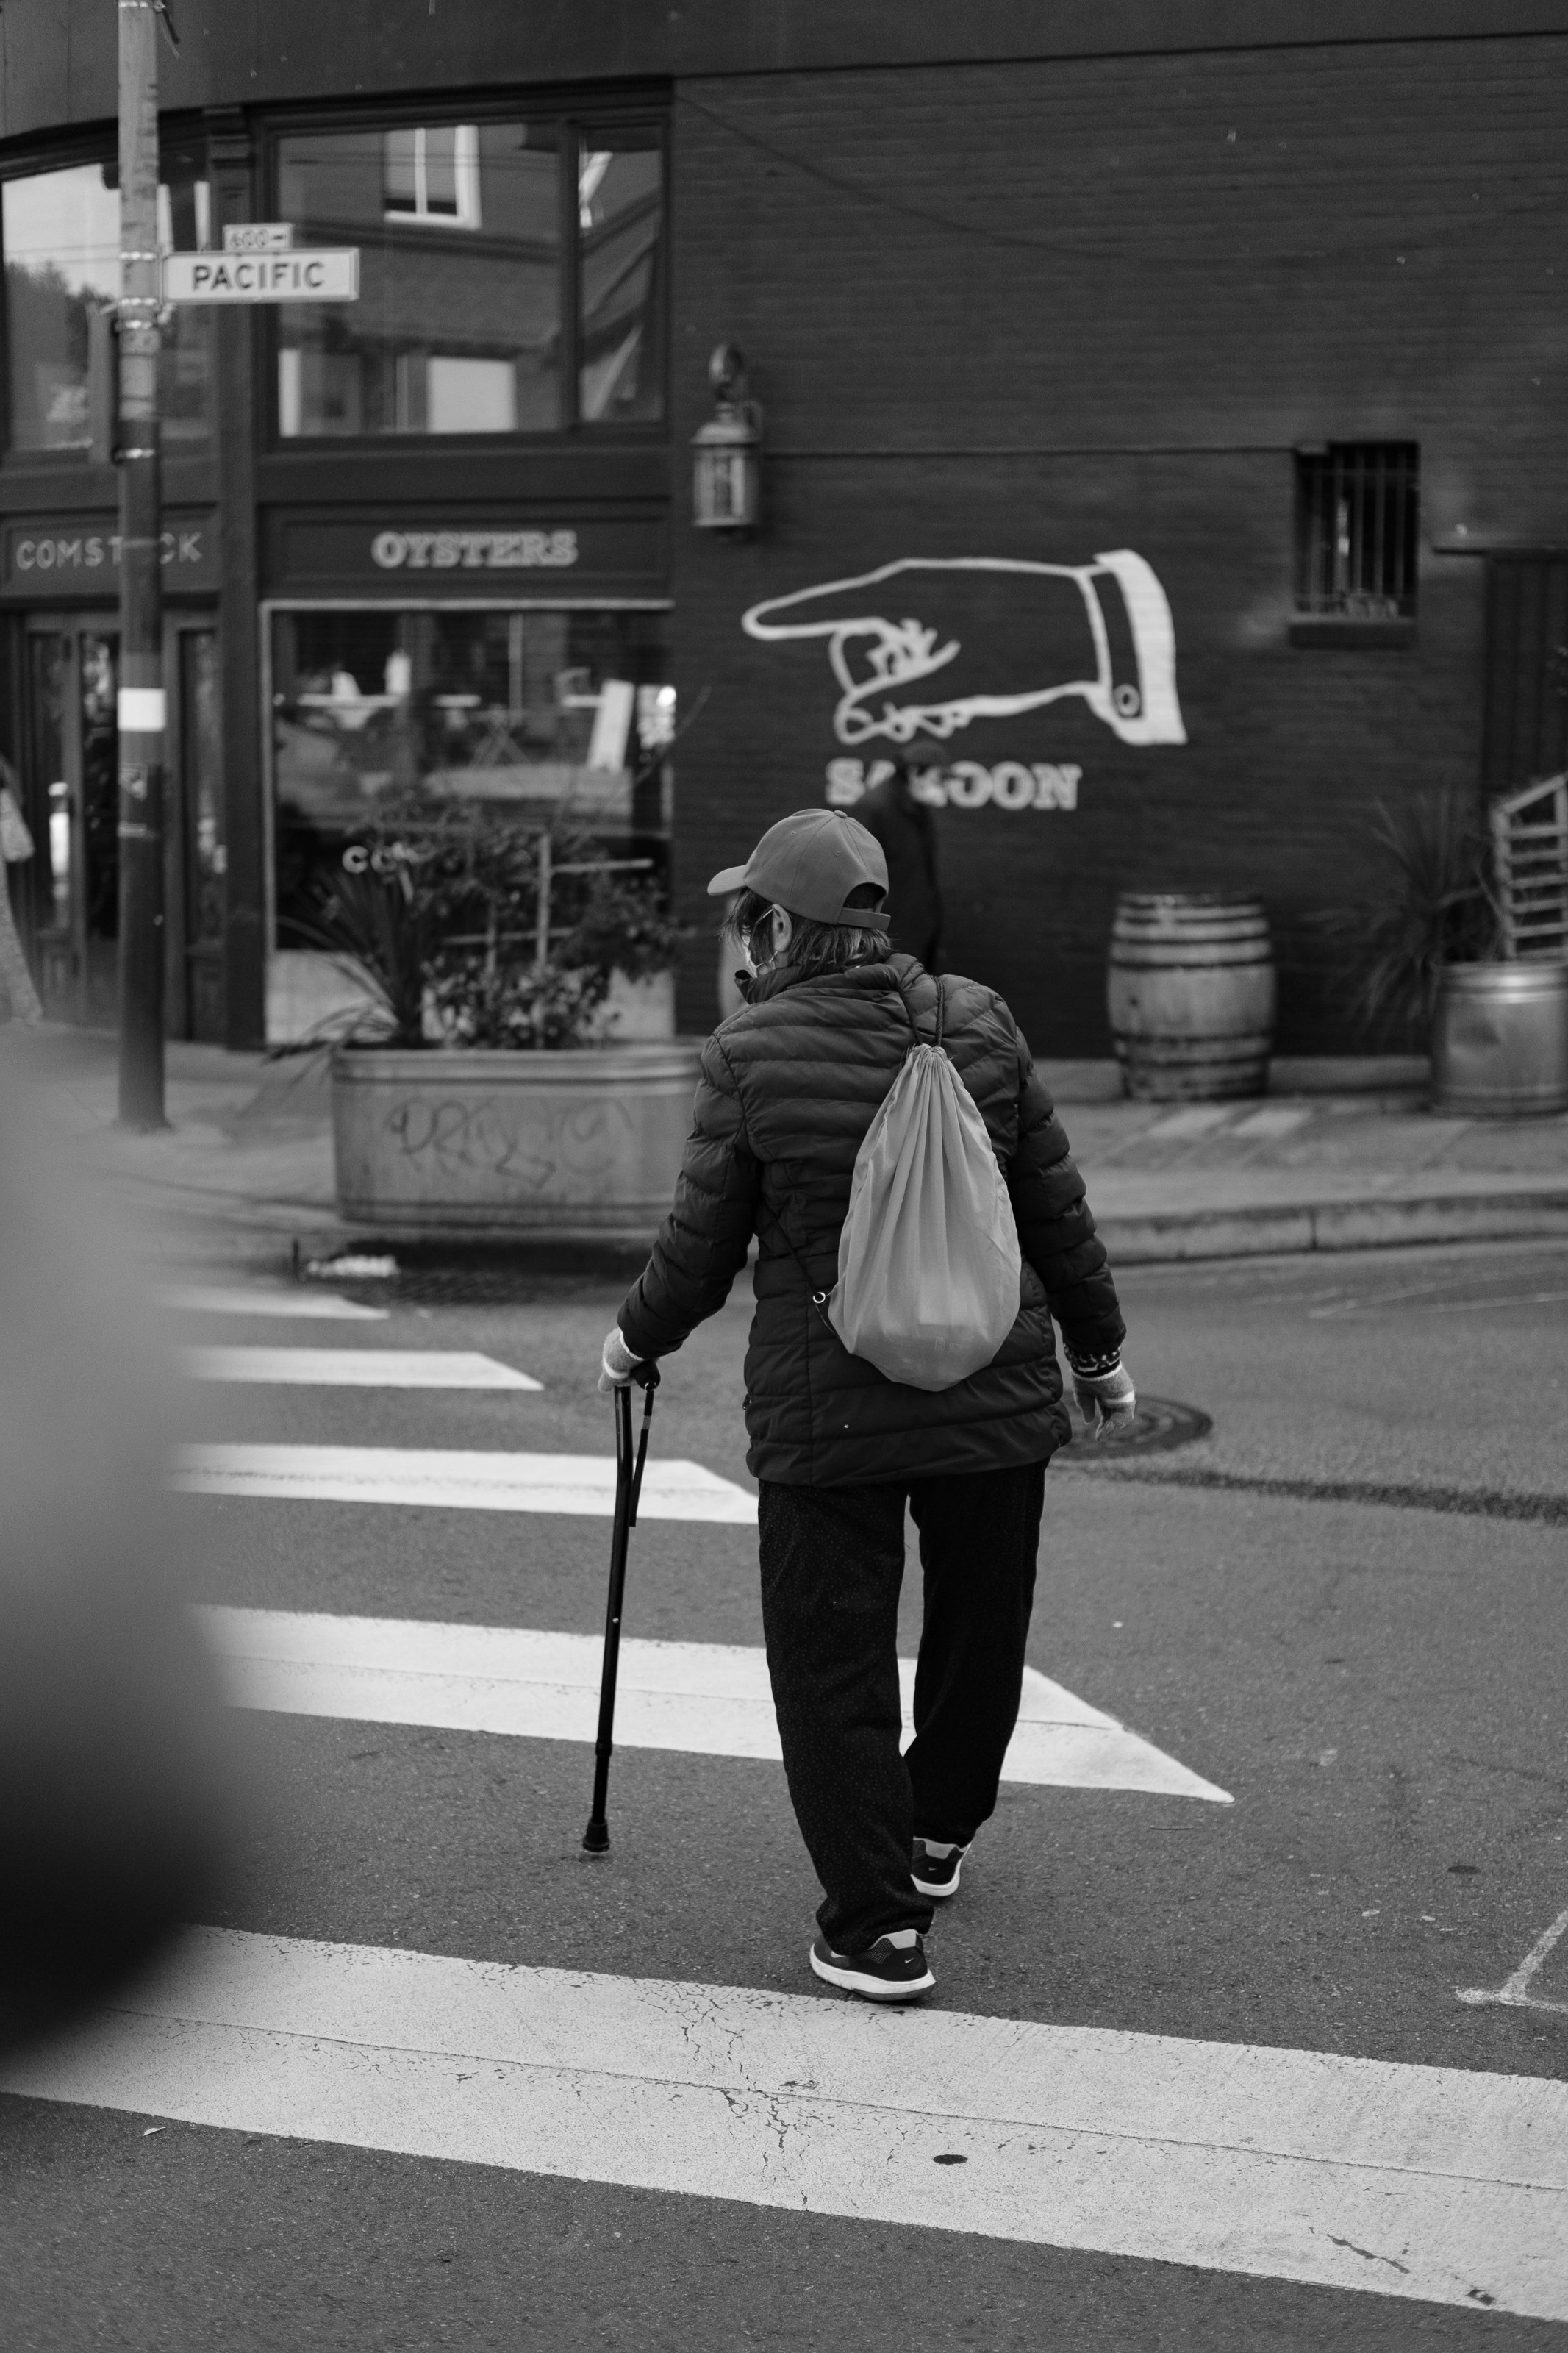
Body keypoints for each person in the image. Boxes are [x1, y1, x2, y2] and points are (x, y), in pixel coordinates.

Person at [598, 808, 1134, 2003]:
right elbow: (1052, 1209)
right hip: (992, 1390)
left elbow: (699, 1251)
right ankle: (935, 1835)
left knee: (831, 1664)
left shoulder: (750, 1053)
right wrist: (1095, 1356)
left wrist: (634, 1343)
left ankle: (875, 1927)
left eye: (751, 919)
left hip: (826, 1410)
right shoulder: (980, 1021)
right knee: (978, 1625)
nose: (744, 941)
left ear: (782, 925)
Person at [855, 753, 942, 966]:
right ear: (915, 773)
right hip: (888, 936)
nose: (941, 787)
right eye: (938, 779)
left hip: (917, 929)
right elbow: (858, 872)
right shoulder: (876, 806)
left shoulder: (918, 808)